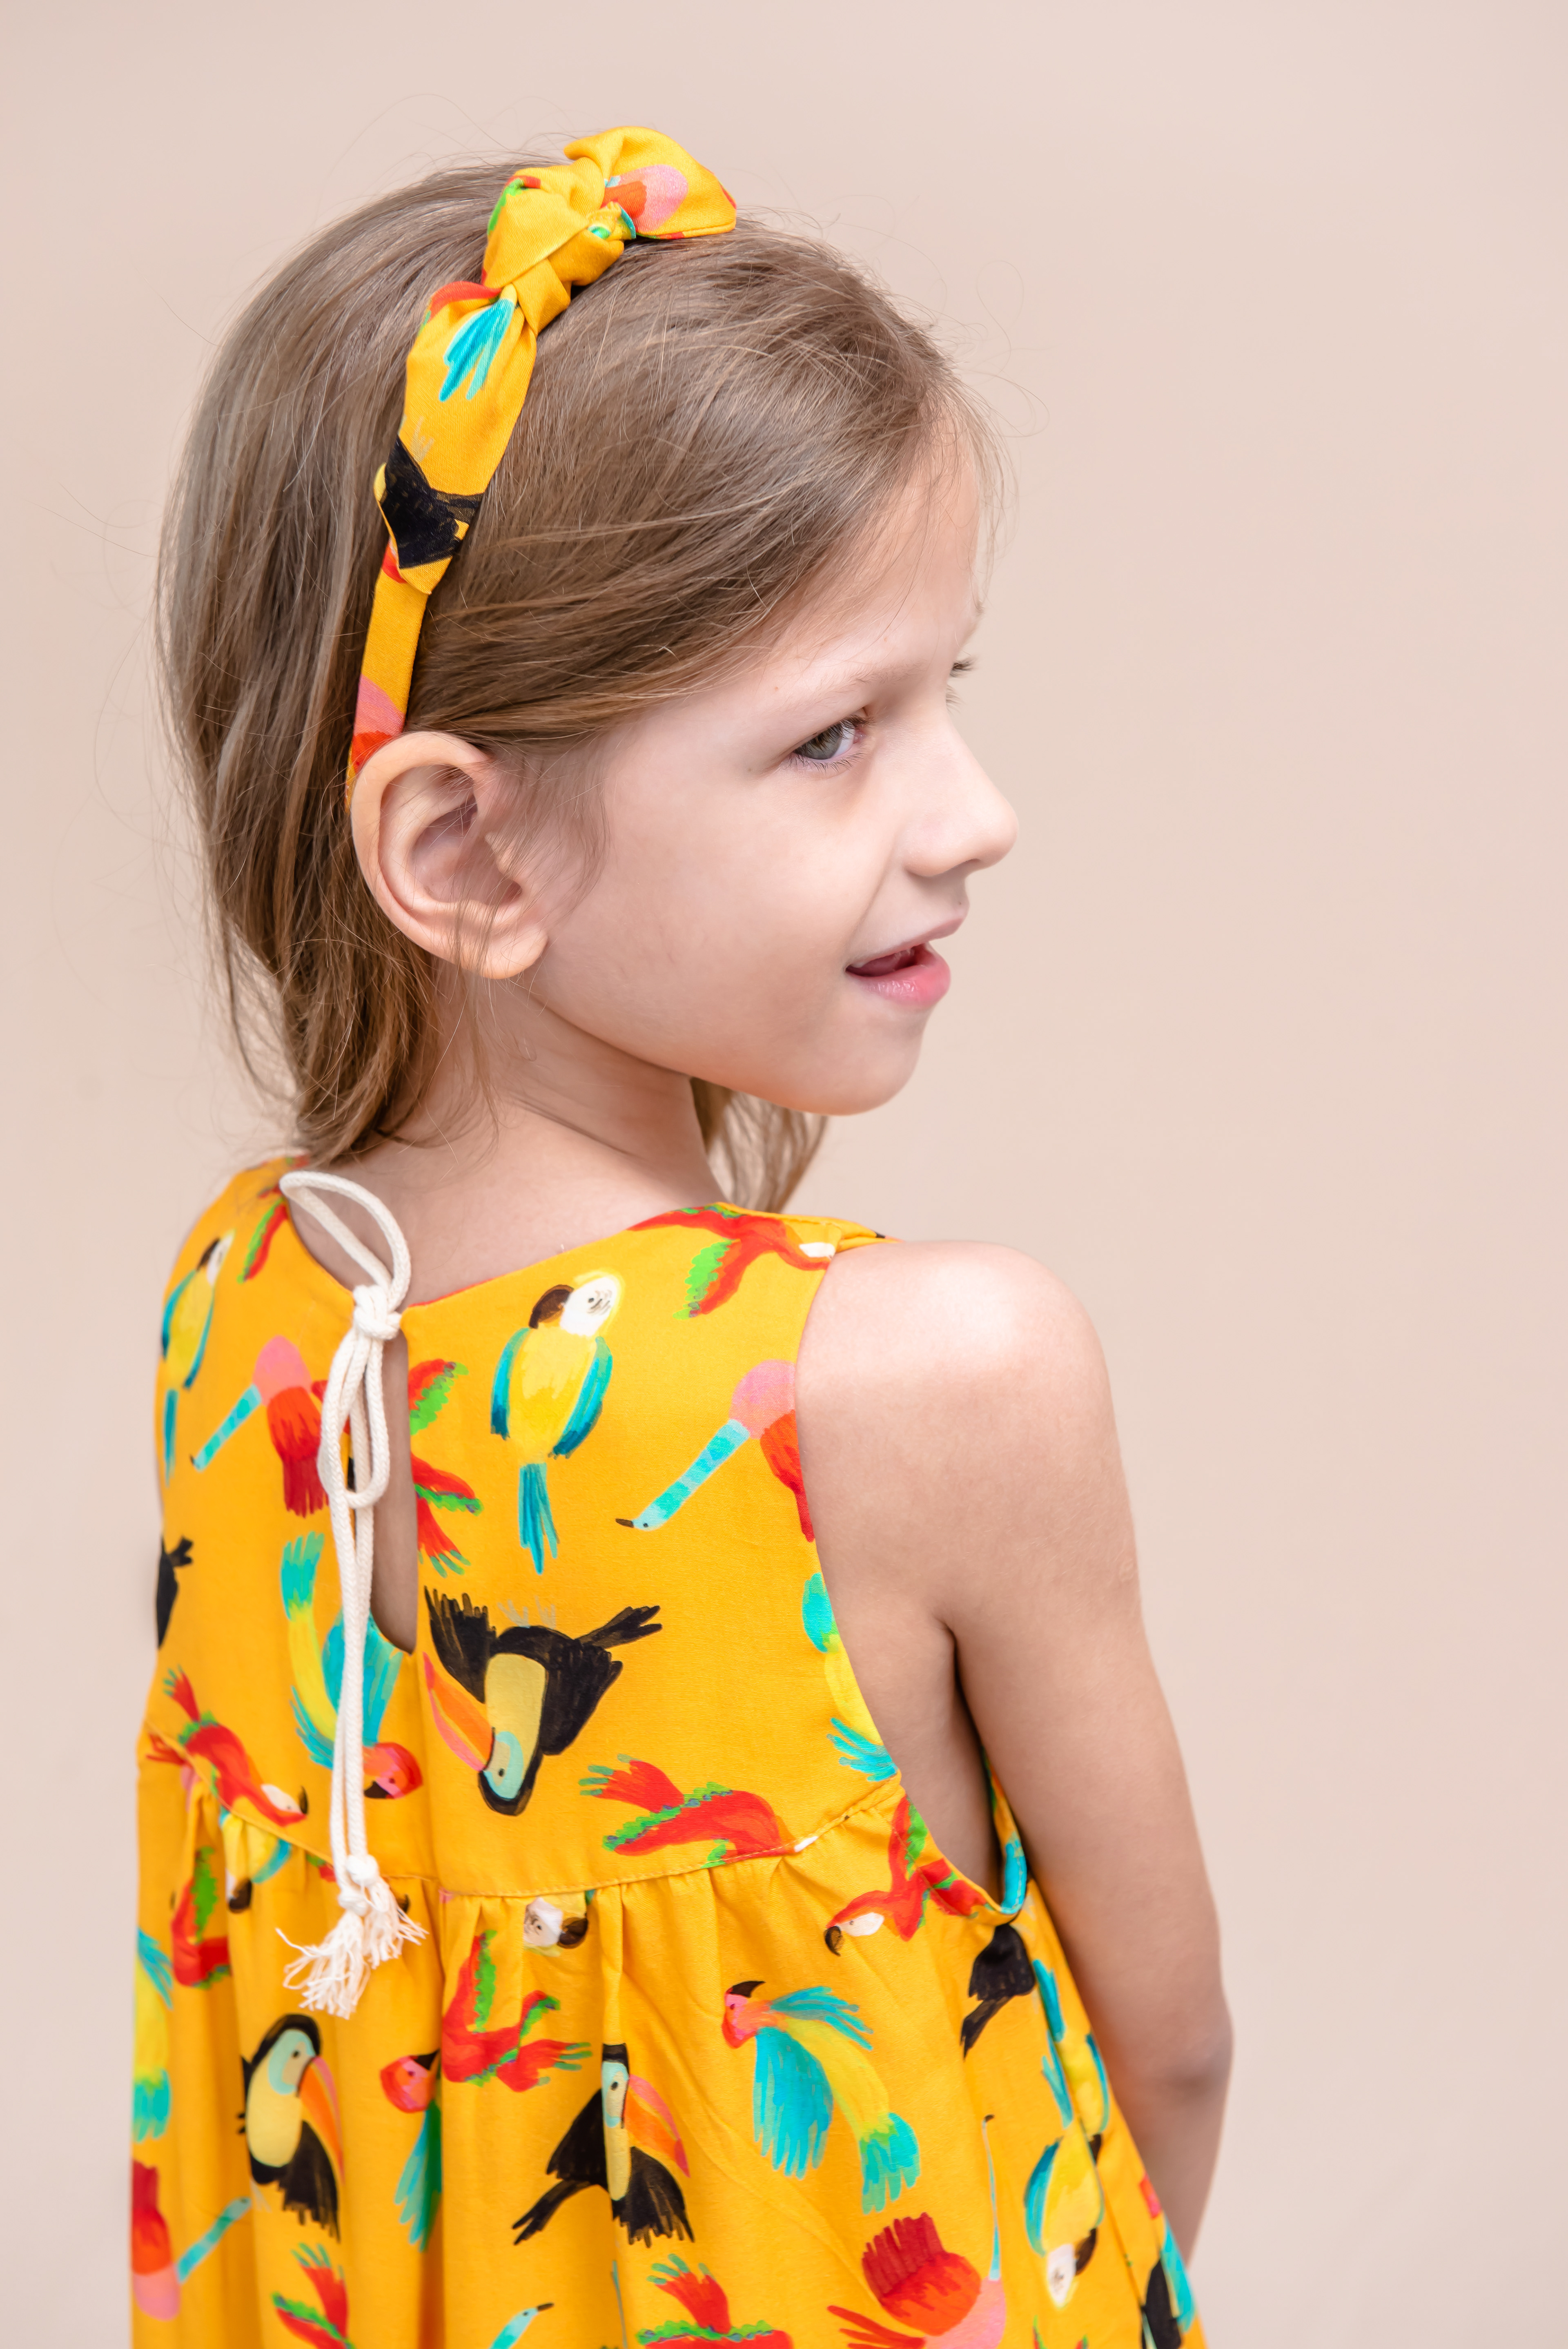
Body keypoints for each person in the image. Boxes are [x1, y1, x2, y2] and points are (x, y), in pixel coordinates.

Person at [135, 128, 1230, 2347]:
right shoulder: (928, 1377)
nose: (976, 814)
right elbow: (1173, 2051)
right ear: (466, 849)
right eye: (835, 735)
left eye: (948, 691)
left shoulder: (237, 1308)